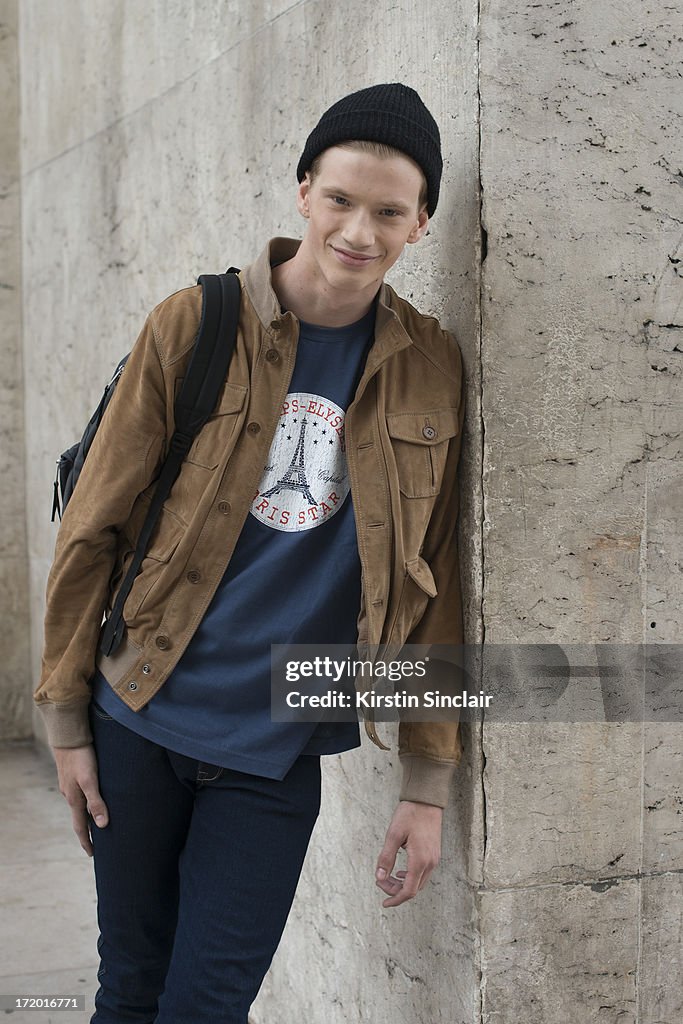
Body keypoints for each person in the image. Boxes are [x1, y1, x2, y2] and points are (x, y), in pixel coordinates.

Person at [34, 83, 466, 1023]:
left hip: (279, 738)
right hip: (141, 710)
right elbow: (92, 529)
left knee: (208, 1005)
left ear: (419, 224)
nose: (360, 229)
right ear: (304, 190)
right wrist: (67, 719)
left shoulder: (431, 364)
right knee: (129, 990)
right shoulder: (197, 323)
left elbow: (432, 585)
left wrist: (426, 783)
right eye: (342, 199)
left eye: (389, 210)